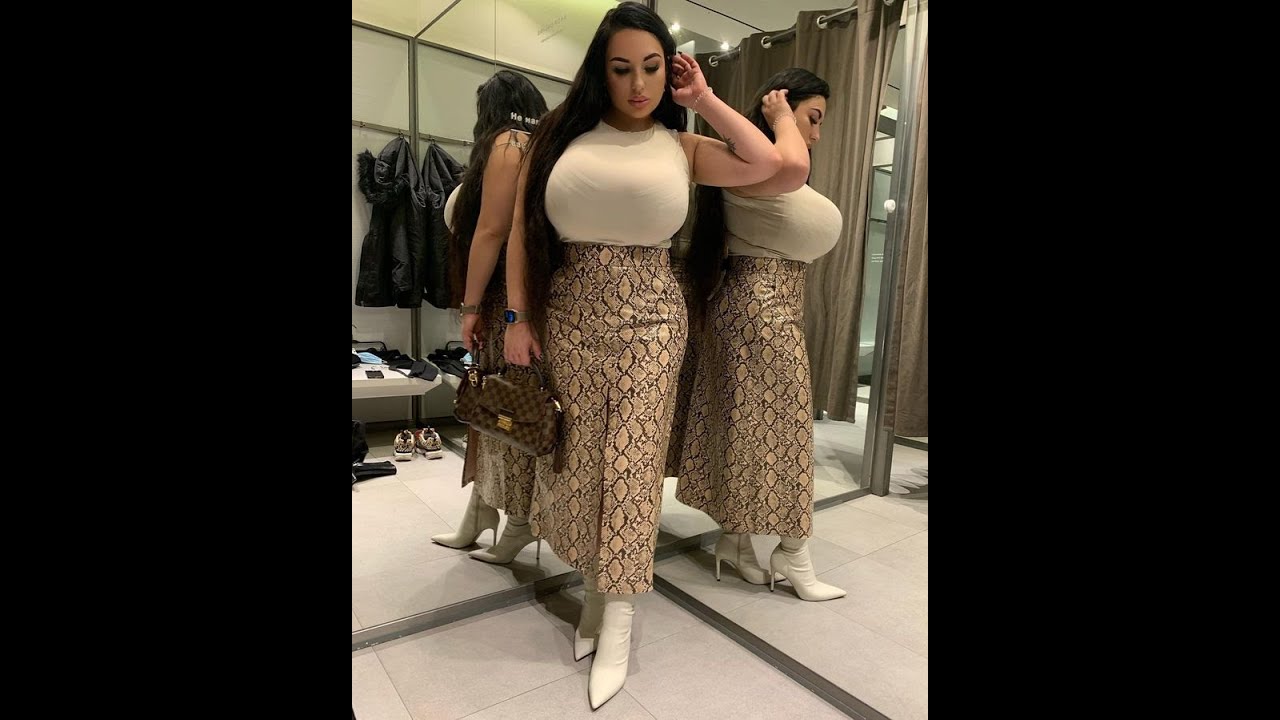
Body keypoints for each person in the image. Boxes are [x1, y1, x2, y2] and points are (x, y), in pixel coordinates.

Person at [502, 2, 782, 708]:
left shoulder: (681, 147)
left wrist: (705, 99)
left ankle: (620, 618)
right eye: (622, 68)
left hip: (653, 318)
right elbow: (518, 232)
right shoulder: (557, 138)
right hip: (569, 313)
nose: (637, 84)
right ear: (600, 71)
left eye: (652, 68)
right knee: (580, 461)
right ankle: (597, 595)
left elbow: (772, 164)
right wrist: (516, 317)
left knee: (632, 462)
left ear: (670, 71)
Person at [679, 68, 846, 601]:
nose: (816, 133)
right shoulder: (762, 166)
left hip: (767, 303)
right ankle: (793, 554)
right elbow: (794, 164)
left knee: (751, 429)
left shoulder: (754, 167)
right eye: (812, 118)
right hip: (760, 305)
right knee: (787, 434)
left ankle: (736, 540)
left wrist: (786, 121)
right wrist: (779, 117)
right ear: (781, 106)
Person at [430, 70, 549, 567]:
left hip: (503, 300)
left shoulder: (509, 144)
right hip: (515, 297)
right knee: (492, 407)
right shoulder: (537, 145)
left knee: (508, 409)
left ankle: (517, 522)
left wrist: (471, 305)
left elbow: (490, 231)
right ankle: (481, 511)